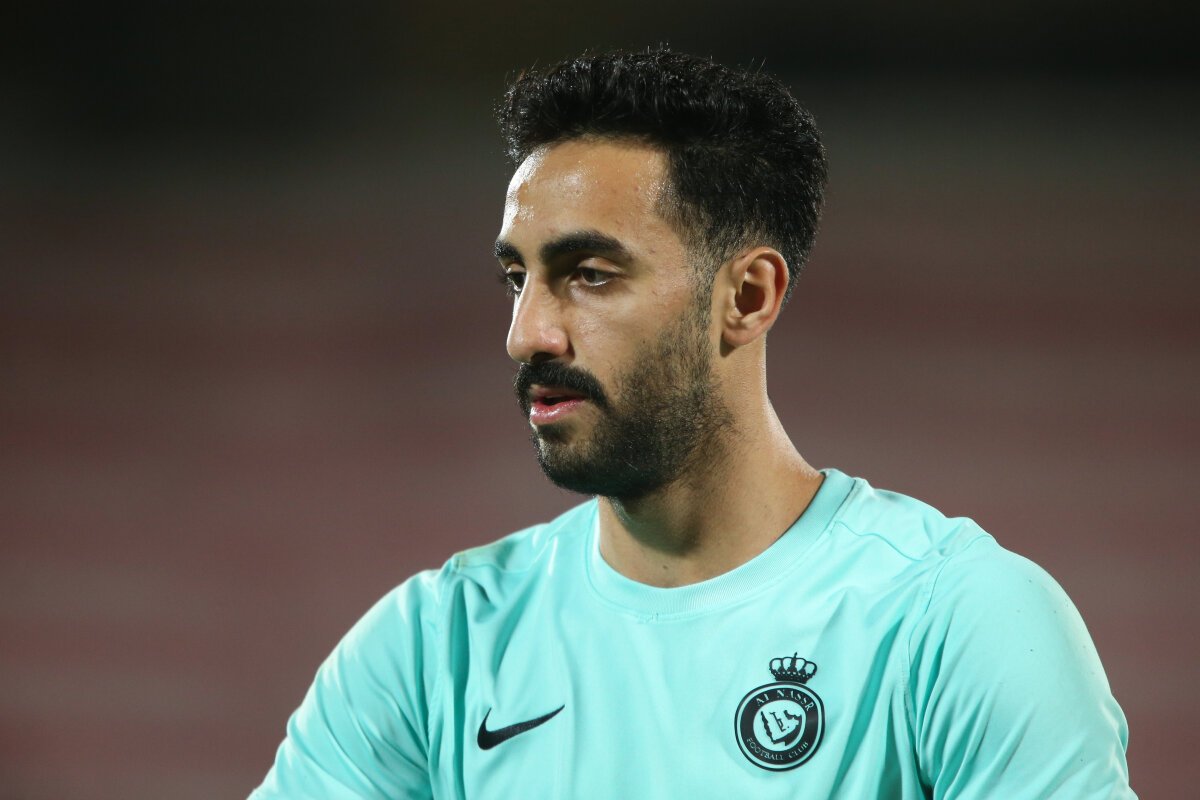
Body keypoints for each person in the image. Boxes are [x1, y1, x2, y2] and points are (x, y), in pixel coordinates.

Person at [252, 49, 1134, 798]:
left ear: (746, 297)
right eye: (517, 278)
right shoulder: (432, 649)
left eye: (589, 274)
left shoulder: (957, 623)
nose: (527, 334)